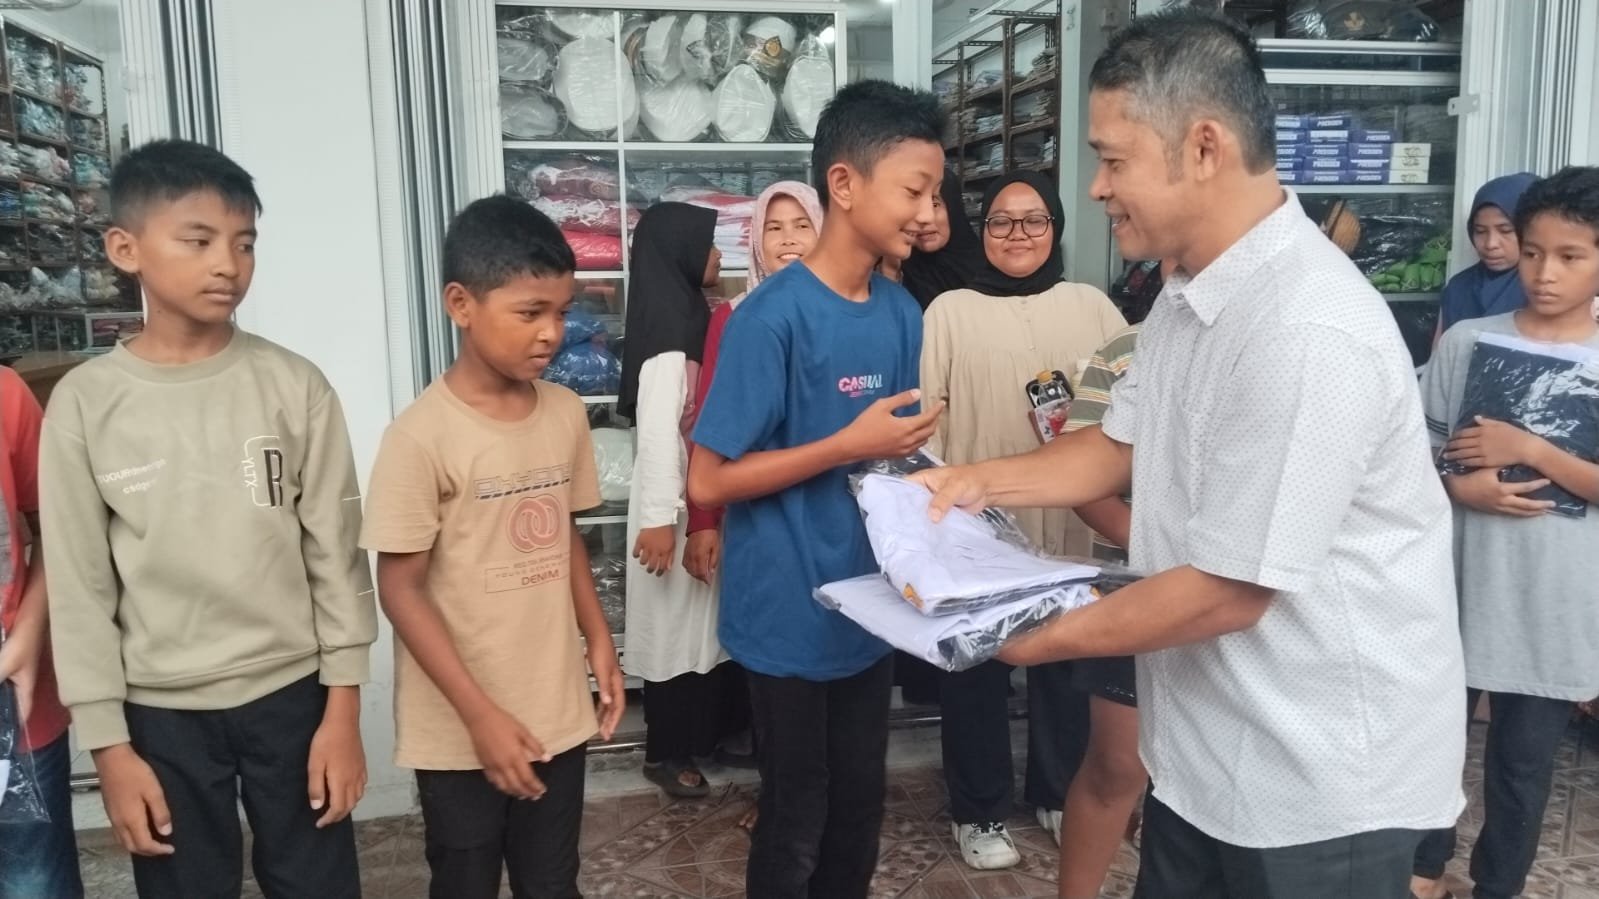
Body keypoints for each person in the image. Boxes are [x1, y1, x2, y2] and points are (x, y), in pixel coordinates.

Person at [912, 11, 1465, 898]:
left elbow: (1228, 588)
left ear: (1203, 147)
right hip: (1205, 752)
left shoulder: (1305, 328)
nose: (1097, 188)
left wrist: (1019, 634)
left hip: (1318, 782)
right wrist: (969, 481)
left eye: (1112, 159)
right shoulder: (1186, 291)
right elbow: (1112, 448)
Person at [39, 139, 377, 898]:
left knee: (317, 882)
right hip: (160, 712)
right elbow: (80, 584)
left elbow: (337, 555)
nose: (228, 263)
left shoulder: (294, 386)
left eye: (244, 242)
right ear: (125, 248)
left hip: (294, 695)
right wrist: (110, 747)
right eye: (198, 240)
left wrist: (343, 708)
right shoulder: (87, 405)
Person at [687, 79, 946, 899]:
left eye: (934, 193)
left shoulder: (900, 313)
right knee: (796, 806)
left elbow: (890, 456)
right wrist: (844, 445)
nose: (927, 212)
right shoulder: (770, 319)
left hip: (870, 600)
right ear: (844, 183)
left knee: (860, 800)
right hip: (787, 607)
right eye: (913, 190)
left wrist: (946, 490)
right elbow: (709, 476)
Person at [362, 195, 625, 899]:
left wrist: (598, 635)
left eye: (562, 312)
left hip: (553, 706)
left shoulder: (563, 412)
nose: (551, 333)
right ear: (461, 304)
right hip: (456, 725)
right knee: (465, 877)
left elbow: (565, 533)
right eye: (530, 312)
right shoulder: (419, 437)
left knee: (551, 880)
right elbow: (399, 588)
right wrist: (479, 715)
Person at [920, 170, 1126, 869]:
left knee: (1068, 663)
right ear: (981, 232)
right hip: (979, 525)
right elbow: (928, 414)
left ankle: (1059, 793)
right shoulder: (949, 310)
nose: (1017, 234)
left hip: (1073, 521)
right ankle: (977, 809)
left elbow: (1128, 403)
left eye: (1034, 220)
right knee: (975, 667)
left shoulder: (1091, 306)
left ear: (1056, 228)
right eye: (1001, 221)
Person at [1412, 166, 1599, 899]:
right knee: (1431, 744)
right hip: (1456, 587)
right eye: (1532, 252)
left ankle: (1499, 884)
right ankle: (1422, 867)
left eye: (1570, 256)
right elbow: (1412, 457)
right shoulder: (1466, 341)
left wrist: (1533, 451)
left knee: (1523, 764)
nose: (1544, 273)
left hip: (1556, 603)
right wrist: (1457, 486)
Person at [685, 180, 825, 831]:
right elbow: (708, 427)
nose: (789, 238)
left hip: (834, 519)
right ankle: (783, 796)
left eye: (801, 224)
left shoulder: (849, 311)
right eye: (775, 226)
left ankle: (824, 795)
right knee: (775, 664)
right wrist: (704, 522)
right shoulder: (734, 318)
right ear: (755, 242)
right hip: (763, 520)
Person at [617, 201, 748, 799]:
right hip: (666, 511)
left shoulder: (694, 316)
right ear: (680, 254)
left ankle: (706, 736)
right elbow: (656, 435)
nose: (718, 256)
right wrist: (658, 521)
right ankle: (665, 752)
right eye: (709, 245)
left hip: (693, 501)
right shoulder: (670, 338)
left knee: (701, 631)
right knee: (672, 634)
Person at [1058, 319, 1146, 899]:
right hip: (1134, 584)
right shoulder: (1128, 350)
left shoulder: (1297, 336)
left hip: (1246, 587)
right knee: (1117, 765)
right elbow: (1084, 477)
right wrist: (1158, 548)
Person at [0, 365, 79, 899]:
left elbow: (56, 525)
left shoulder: (6, 393)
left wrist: (27, 633)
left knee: (33, 880)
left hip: (16, 700)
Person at [1436, 173, 1539, 339]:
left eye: (1505, 230)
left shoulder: (1544, 287)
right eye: (1480, 231)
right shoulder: (1459, 287)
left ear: (1531, 230)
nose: (1491, 244)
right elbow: (1440, 351)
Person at [900, 170, 985, 310]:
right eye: (913, 206)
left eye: (934, 205)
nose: (923, 218)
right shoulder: (897, 273)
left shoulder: (989, 272)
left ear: (953, 209)